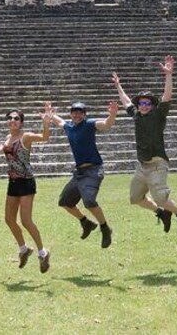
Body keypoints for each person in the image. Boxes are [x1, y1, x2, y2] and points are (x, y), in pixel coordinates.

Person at [112, 55, 177, 236]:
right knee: (135, 198)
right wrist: (118, 86)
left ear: (152, 106)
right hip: (142, 166)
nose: (144, 105)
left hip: (157, 164)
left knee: (161, 197)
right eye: (141, 103)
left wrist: (168, 75)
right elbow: (126, 101)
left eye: (147, 103)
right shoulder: (136, 114)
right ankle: (161, 213)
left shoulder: (158, 115)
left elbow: (167, 96)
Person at [51, 101, 118, 248]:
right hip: (79, 172)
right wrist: (51, 114)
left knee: (89, 201)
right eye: (74, 112)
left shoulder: (89, 124)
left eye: (80, 112)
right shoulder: (69, 127)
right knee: (65, 202)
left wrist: (112, 114)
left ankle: (105, 228)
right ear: (71, 114)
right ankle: (86, 223)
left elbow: (106, 124)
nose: (77, 115)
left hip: (94, 170)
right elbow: (60, 122)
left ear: (84, 114)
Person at [0, 103, 54, 273]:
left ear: (21, 122)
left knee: (26, 221)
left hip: (26, 181)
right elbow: (9, 153)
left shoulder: (26, 137)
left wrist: (46, 122)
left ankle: (43, 253)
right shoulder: (8, 138)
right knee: (8, 219)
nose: (13, 120)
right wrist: (1, 149)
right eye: (10, 118)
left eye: (16, 118)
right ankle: (23, 249)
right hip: (13, 182)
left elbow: (44, 137)